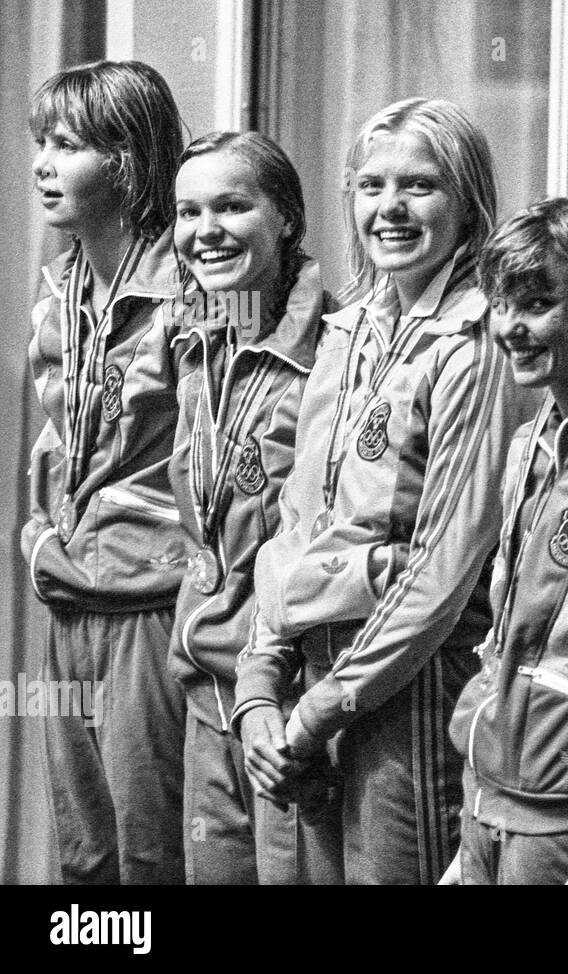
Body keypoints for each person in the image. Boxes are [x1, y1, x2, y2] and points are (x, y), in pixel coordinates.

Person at [231, 97, 537, 884]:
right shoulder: (349, 327)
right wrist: (261, 687)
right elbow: (294, 525)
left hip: (410, 694)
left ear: (468, 202)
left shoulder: (478, 344)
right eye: (371, 186)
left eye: (419, 187)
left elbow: (445, 569)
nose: (390, 209)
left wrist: (326, 706)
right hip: (309, 689)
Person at [439, 197, 568, 885]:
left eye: (535, 304)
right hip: (493, 793)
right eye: (500, 305)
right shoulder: (530, 443)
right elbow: (506, 632)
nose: (510, 328)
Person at [24, 59, 188, 884]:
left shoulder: (193, 288)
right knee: (83, 853)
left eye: (67, 145)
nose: (43, 164)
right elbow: (52, 440)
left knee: (150, 846)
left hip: (151, 605)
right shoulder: (58, 291)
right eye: (40, 144)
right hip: (69, 595)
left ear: (125, 160)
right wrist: (36, 536)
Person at [168, 131, 330, 883]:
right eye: (188, 210)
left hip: (287, 697)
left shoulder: (335, 350)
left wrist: (286, 697)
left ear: (287, 218)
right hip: (206, 681)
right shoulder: (198, 346)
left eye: (232, 206)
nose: (206, 231)